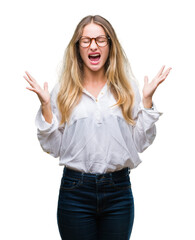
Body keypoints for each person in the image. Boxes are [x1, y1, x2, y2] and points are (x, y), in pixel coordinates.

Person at [24, 15, 171, 240]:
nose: (93, 45)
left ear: (110, 45)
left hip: (118, 192)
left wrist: (147, 102)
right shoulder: (64, 90)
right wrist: (45, 106)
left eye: (101, 40)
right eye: (86, 40)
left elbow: (139, 143)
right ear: (78, 47)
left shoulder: (126, 88)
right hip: (75, 193)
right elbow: (55, 149)